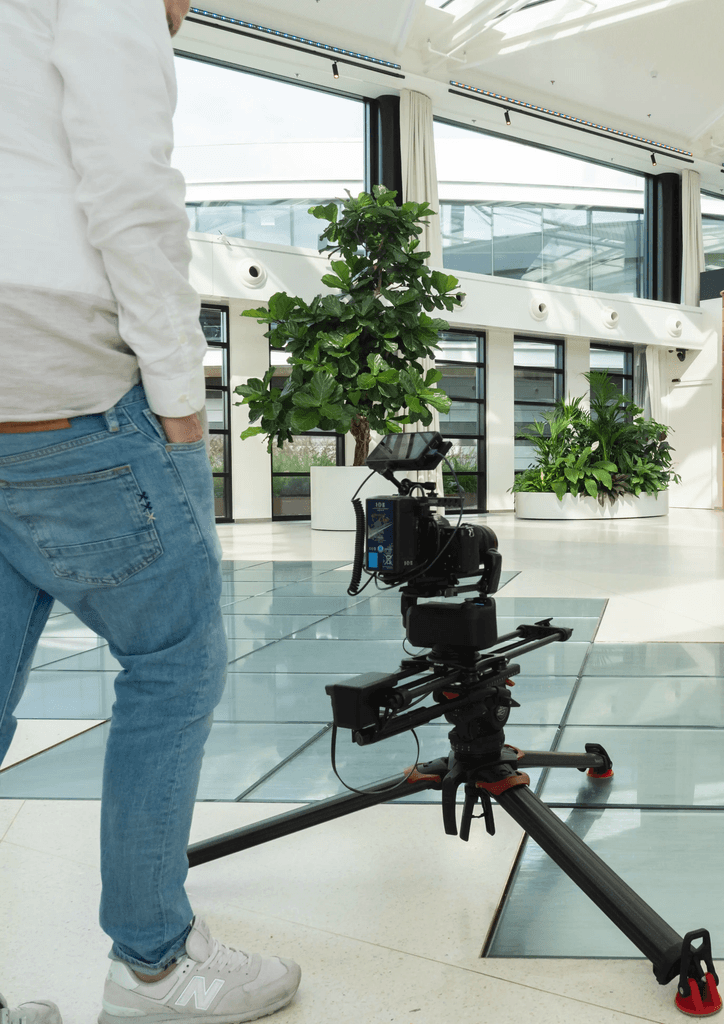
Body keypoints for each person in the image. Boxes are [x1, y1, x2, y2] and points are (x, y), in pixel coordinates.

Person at [0, 1, 301, 1021]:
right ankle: (156, 966)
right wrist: (181, 404)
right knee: (173, 667)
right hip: (67, 389)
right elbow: (131, 198)